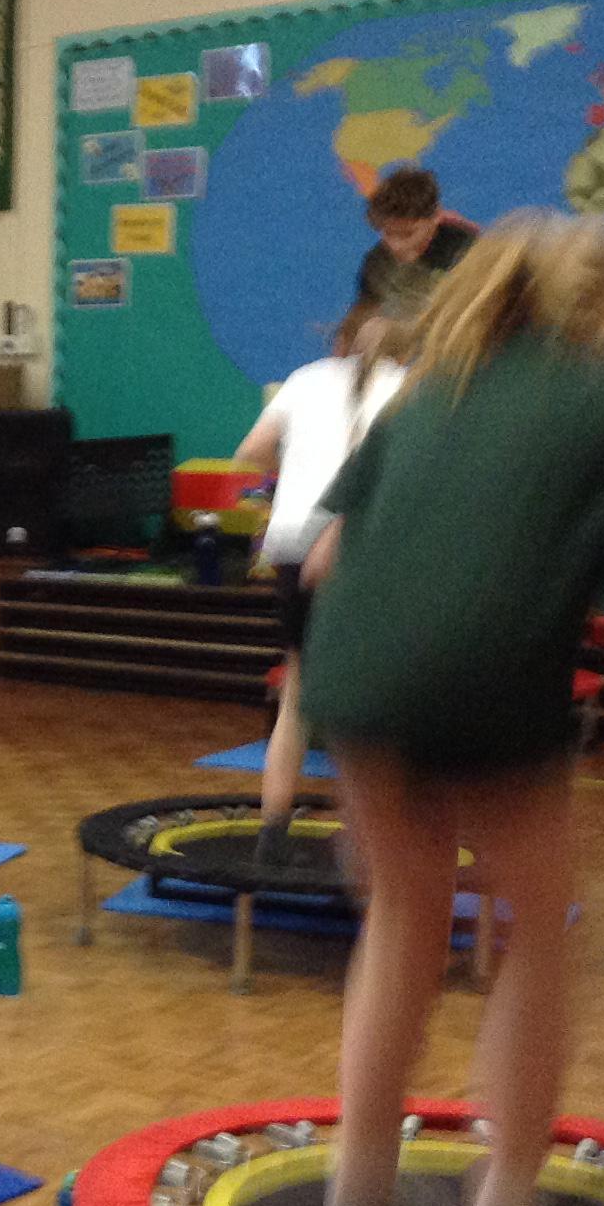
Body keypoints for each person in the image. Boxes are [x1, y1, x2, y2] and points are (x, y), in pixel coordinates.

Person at [300, 212, 604, 1206]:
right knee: (537, 934)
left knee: (402, 918)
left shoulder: (436, 386)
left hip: (351, 675)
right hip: (486, 679)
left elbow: (326, 555)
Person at [231, 304, 409, 849]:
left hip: (294, 541)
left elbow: (250, 453)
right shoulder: (410, 386)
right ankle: (379, 837)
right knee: (378, 699)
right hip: (363, 548)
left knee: (296, 694)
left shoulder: (306, 379)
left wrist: (294, 471)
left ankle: (272, 830)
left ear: (341, 341)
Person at [354, 166, 475, 322]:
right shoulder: (377, 263)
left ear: (436, 216)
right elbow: (361, 318)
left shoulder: (468, 252)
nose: (396, 246)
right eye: (388, 233)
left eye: (407, 234)